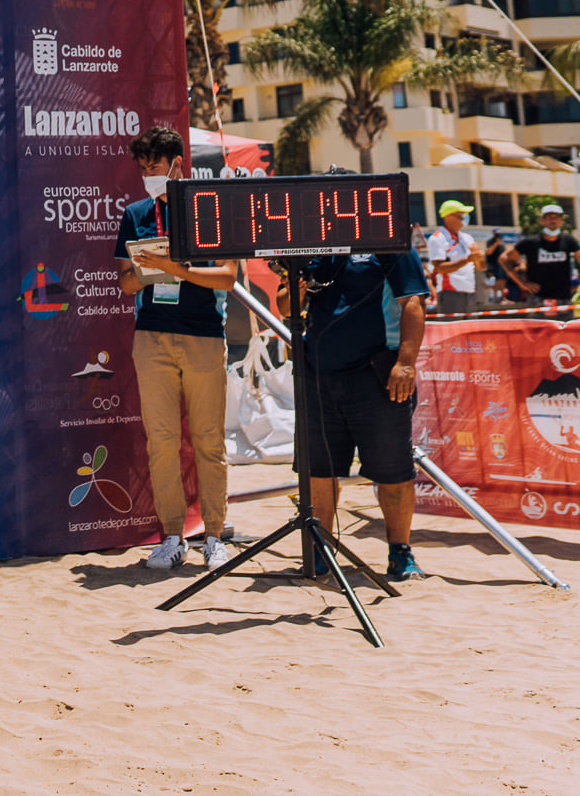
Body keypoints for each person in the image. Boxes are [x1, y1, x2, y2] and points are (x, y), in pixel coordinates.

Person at [113, 126, 242, 571]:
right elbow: (125, 282)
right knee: (162, 441)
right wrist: (150, 269)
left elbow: (228, 277)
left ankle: (214, 535)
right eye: (143, 167)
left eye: (155, 166)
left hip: (204, 335)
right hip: (151, 335)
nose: (148, 174)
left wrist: (177, 268)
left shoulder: (211, 209)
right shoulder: (135, 214)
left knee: (209, 440)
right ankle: (171, 535)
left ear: (177, 165)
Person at [277, 242, 431, 582]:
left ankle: (400, 552)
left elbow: (413, 303)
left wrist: (406, 363)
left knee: (393, 471)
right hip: (317, 375)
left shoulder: (388, 239)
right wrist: (294, 293)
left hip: (378, 375)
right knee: (318, 471)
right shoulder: (308, 244)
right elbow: (286, 306)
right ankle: (320, 551)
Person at [502, 204, 579, 314]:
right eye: (549, 217)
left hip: (563, 299)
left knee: (565, 326)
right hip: (537, 299)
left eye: (556, 217)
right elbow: (504, 259)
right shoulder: (531, 242)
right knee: (537, 326)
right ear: (542, 220)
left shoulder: (569, 240)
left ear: (561, 220)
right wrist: (522, 283)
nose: (553, 220)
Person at [427, 201, 478, 315]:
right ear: (448, 217)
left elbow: (481, 266)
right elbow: (439, 268)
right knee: (453, 326)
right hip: (450, 292)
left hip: (470, 291)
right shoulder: (437, 238)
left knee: (471, 326)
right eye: (460, 215)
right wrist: (467, 259)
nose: (464, 218)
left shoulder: (467, 238)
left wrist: (479, 257)